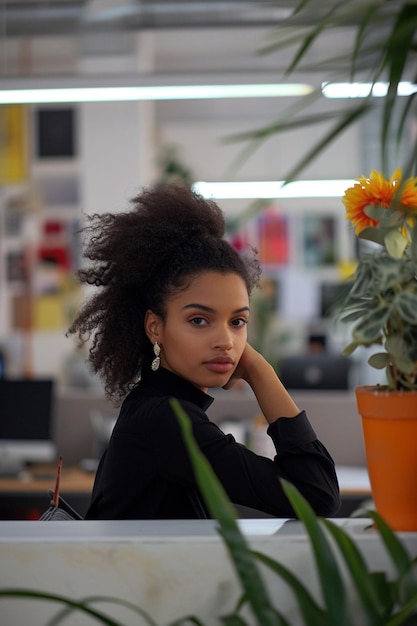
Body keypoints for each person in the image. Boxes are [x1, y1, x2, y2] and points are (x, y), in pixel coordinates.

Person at [68, 184, 340, 520]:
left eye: (237, 321)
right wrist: (258, 369)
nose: (225, 340)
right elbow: (316, 495)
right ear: (155, 326)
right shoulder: (166, 421)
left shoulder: (153, 407)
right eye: (199, 320)